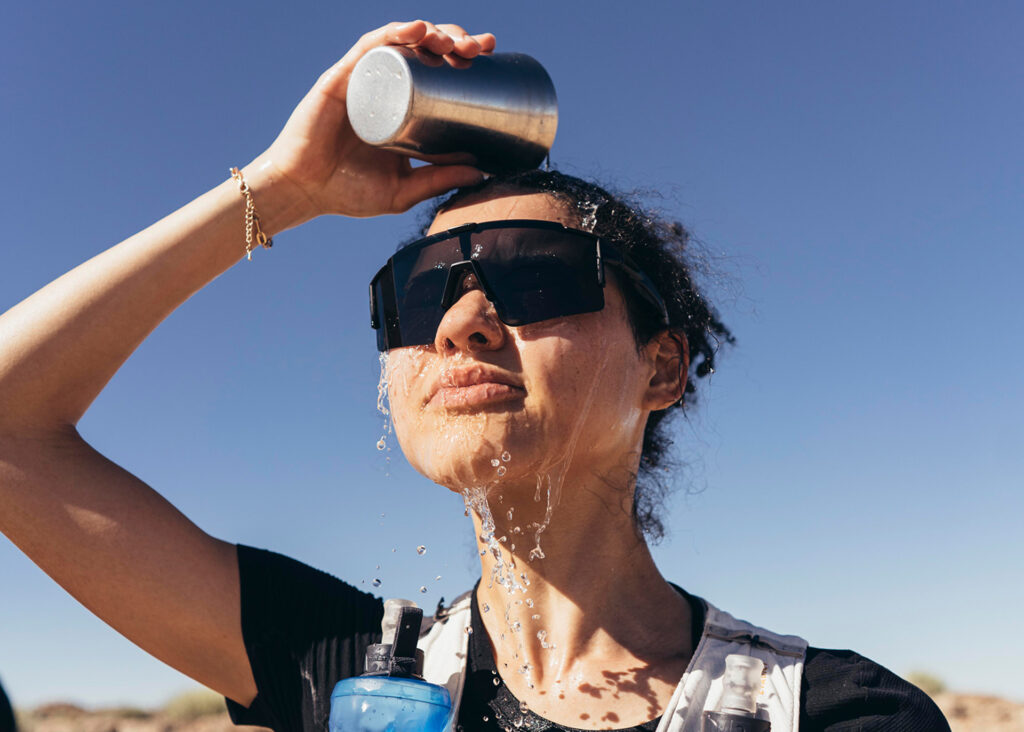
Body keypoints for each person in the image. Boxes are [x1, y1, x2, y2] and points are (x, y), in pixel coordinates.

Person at [0, 20, 949, 732]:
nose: (461, 323)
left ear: (663, 366)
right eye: (415, 298)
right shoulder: (344, 674)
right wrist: (282, 190)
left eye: (532, 275)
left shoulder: (833, 712)